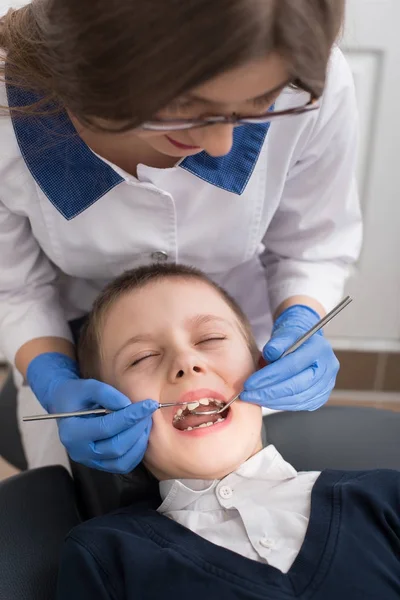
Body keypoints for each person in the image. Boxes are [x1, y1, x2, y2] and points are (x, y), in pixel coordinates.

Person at [0, 0, 362, 473]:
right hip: (77, 340)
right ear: (91, 66)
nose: (220, 146)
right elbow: (15, 286)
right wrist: (53, 379)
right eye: (186, 108)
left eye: (255, 105)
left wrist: (300, 322)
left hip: (249, 336)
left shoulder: (299, 69)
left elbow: (311, 246)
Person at [56, 264, 399, 600]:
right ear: (103, 411)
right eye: (142, 357)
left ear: (263, 365)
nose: (185, 362)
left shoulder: (385, 498)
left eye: (210, 338)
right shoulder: (104, 555)